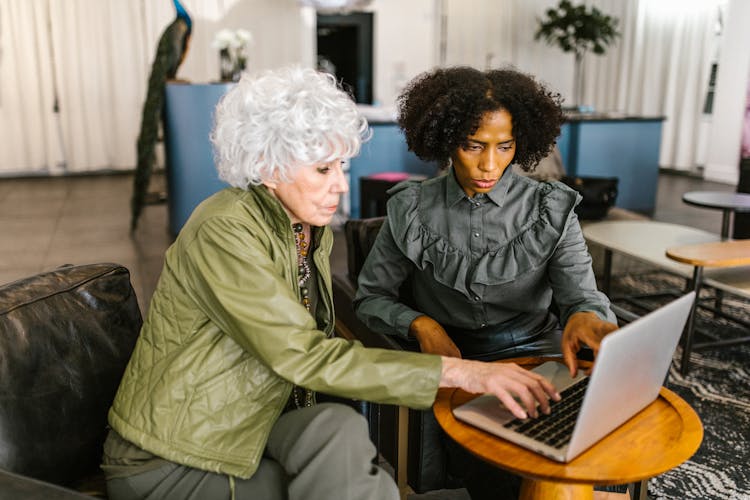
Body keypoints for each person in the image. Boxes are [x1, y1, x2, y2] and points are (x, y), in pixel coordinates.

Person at [101, 66, 562, 500]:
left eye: (342, 166)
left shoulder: (304, 227)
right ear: (266, 165)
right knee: (353, 484)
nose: (341, 186)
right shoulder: (224, 229)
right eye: (324, 170)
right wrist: (464, 371)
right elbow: (302, 355)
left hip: (247, 422)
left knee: (338, 428)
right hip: (171, 457)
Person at [353, 66, 619, 498]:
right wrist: (424, 326)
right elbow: (370, 298)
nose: (489, 164)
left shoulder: (550, 207)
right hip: (456, 359)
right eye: (473, 145)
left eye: (505, 146)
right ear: (445, 140)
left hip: (537, 350)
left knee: (578, 444)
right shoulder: (412, 208)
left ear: (522, 142)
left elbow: (581, 296)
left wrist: (585, 316)